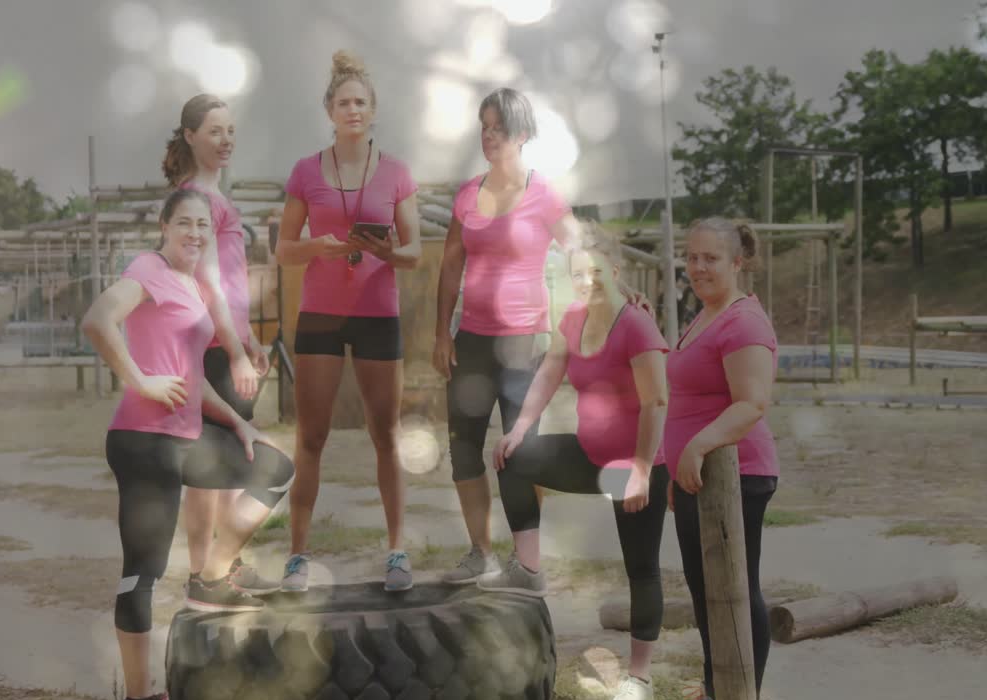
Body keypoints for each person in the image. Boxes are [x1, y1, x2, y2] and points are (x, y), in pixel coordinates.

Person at [83, 189, 294, 700]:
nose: (195, 233)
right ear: (163, 225)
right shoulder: (148, 268)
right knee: (143, 573)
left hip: (186, 437)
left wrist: (241, 422)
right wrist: (141, 381)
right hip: (143, 442)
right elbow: (98, 320)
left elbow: (193, 378)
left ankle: (212, 577)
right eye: (184, 223)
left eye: (202, 224)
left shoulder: (193, 285)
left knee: (274, 466)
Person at [434, 87, 646, 584]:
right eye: (483, 127)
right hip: (471, 340)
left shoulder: (542, 194)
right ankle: (479, 553)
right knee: (463, 448)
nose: (488, 136)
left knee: (517, 451)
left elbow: (582, 249)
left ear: (522, 135)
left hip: (523, 343)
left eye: (498, 128)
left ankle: (526, 563)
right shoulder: (466, 194)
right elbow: (448, 267)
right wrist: (441, 333)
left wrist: (623, 286)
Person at [484, 223, 670, 700]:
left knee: (641, 567)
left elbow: (656, 401)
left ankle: (639, 677)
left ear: (614, 270)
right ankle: (528, 569)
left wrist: (642, 471)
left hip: (631, 466)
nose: (585, 282)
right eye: (575, 275)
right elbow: (549, 371)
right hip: (590, 458)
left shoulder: (636, 324)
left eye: (593, 273)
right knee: (511, 458)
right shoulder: (574, 317)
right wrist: (522, 426)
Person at [275, 50, 422, 592]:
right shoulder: (306, 171)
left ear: (372, 110)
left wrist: (381, 250)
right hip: (319, 316)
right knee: (311, 435)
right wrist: (317, 245)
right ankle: (296, 556)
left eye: (361, 102)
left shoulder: (397, 172)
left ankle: (397, 553)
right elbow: (285, 251)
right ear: (330, 111)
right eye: (343, 102)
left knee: (386, 435)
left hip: (376, 316)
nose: (352, 109)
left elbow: (414, 254)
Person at [664, 218, 779, 700]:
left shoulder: (743, 321)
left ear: (738, 262)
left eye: (710, 258)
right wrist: (679, 465)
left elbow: (752, 403)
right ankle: (717, 699)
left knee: (734, 587)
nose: (698, 267)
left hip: (737, 475)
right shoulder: (706, 314)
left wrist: (698, 446)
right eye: (692, 257)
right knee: (705, 587)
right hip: (700, 478)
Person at [161, 93, 275, 594]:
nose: (225, 140)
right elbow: (207, 282)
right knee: (208, 465)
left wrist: (250, 340)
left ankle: (226, 565)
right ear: (190, 137)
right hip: (209, 345)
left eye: (229, 130)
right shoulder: (197, 200)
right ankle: (201, 572)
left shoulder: (215, 195)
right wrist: (231, 350)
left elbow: (232, 279)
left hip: (230, 340)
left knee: (232, 459)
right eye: (213, 131)